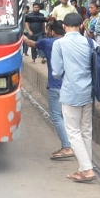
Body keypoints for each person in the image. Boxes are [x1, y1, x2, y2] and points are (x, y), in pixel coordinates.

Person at [50, 12, 97, 182]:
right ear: (81, 25)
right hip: (88, 91)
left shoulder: (59, 44)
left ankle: (87, 169)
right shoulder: (90, 42)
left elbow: (56, 71)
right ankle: (83, 167)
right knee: (86, 131)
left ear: (64, 26)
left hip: (70, 91)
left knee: (73, 133)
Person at [23, 20, 72, 160]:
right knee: (70, 118)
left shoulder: (47, 42)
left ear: (52, 31)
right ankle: (75, 145)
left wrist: (23, 36)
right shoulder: (73, 43)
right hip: (72, 87)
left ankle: (66, 146)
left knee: (57, 116)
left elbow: (31, 43)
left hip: (55, 85)